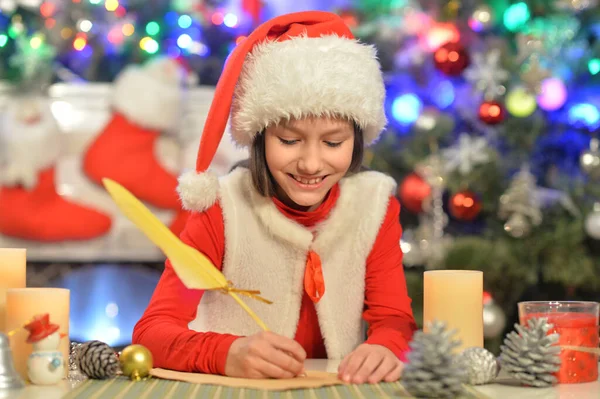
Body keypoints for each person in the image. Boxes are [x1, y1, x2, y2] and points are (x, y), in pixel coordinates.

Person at [132, 10, 417, 385]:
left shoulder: (375, 206)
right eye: (289, 140)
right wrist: (226, 353)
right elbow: (151, 333)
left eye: (333, 142)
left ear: (358, 138)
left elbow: (394, 321)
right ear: (260, 137)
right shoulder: (220, 209)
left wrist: (387, 347)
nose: (312, 163)